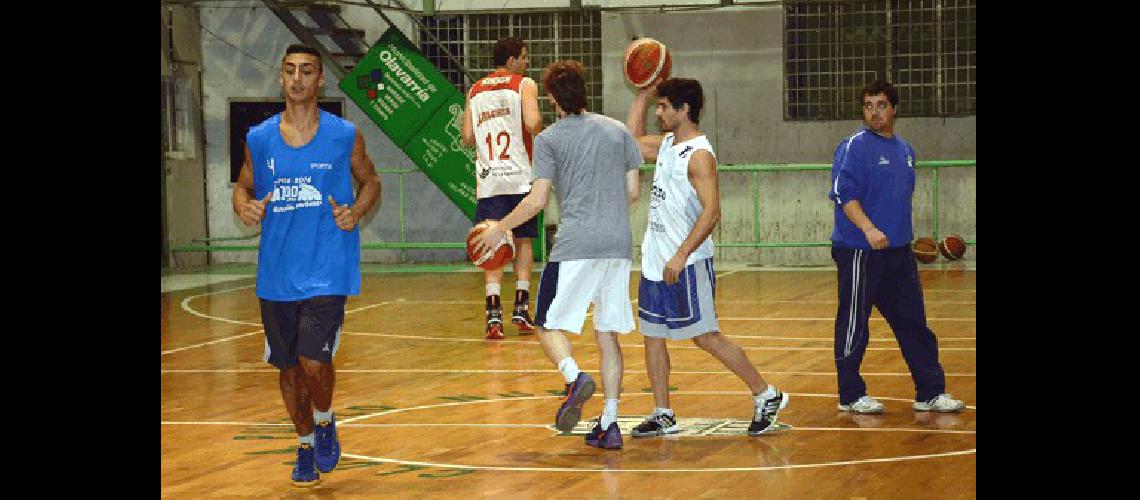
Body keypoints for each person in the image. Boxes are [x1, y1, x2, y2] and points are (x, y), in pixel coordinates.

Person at [232, 44, 382, 487]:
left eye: (307, 71)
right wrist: (245, 207)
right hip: (276, 274)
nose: (297, 78)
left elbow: (370, 180)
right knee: (289, 369)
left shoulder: (343, 135)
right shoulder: (259, 139)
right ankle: (303, 444)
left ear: (320, 81)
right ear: (281, 78)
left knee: (312, 360)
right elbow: (243, 187)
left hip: (327, 269)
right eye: (290, 70)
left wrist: (355, 212)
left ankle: (324, 419)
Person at [474, 60, 641, 449]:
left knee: (544, 323)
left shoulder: (549, 140)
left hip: (577, 244)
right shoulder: (617, 131)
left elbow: (537, 200)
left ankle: (573, 377)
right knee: (607, 335)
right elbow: (633, 192)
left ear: (551, 98)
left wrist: (500, 228)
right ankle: (610, 424)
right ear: (584, 90)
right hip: (617, 245)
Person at [625, 77, 788, 438]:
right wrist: (641, 95)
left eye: (665, 107)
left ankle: (766, 394)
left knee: (706, 336)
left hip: (687, 262)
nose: (659, 113)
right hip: (655, 259)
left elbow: (712, 212)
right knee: (652, 335)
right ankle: (663, 411)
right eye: (658, 107)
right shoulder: (668, 144)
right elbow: (630, 142)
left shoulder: (699, 155)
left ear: (685, 110)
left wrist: (681, 255)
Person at [828, 79, 965, 414]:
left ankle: (930, 392)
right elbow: (844, 195)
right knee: (854, 323)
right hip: (860, 251)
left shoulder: (906, 151)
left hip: (899, 254)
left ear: (894, 109)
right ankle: (850, 394)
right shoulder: (854, 147)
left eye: (881, 105)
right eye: (868, 105)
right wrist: (869, 228)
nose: (874, 112)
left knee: (914, 323)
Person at [461, 37, 544, 340]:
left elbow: (468, 137)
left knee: (491, 242)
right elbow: (533, 123)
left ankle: (492, 315)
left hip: (490, 178)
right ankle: (522, 307)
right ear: (510, 60)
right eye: (523, 57)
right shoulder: (525, 85)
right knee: (523, 240)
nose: (526, 62)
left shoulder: (475, 89)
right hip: (520, 174)